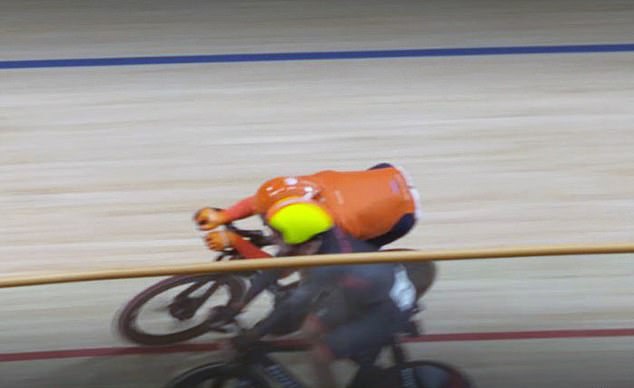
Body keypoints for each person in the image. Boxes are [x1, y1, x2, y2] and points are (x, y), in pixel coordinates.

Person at [219, 199, 418, 388]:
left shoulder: (328, 263)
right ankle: (363, 360)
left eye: (277, 235)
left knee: (319, 355)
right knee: (310, 329)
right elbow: (273, 268)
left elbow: (294, 304)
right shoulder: (313, 236)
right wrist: (239, 305)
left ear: (306, 246)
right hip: (365, 292)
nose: (272, 238)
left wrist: (253, 335)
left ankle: (360, 358)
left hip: (388, 307)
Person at [194, 163, 421, 249]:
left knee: (337, 263)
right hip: (388, 175)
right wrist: (225, 215)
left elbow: (279, 271)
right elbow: (257, 202)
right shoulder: (301, 188)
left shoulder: (314, 225)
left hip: (401, 217)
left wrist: (235, 241)